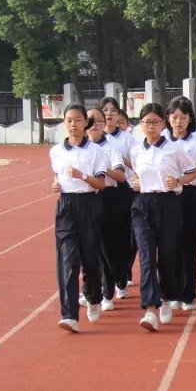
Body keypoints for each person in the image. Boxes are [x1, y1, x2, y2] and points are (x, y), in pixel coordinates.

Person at [130, 103, 196, 332]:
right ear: (140, 124)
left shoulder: (175, 149)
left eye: (156, 122)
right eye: (147, 122)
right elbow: (135, 176)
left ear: (163, 124)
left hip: (168, 204)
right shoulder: (137, 151)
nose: (151, 127)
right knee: (147, 257)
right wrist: (135, 183)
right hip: (143, 205)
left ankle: (167, 298)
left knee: (167, 256)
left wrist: (177, 181)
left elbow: (192, 172)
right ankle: (150, 309)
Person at [58, 107, 127, 313]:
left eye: (99, 120)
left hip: (108, 199)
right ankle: (91, 293)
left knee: (105, 249)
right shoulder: (66, 150)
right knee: (83, 253)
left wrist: (98, 170)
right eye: (92, 120)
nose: (95, 124)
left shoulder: (109, 148)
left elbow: (120, 177)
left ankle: (107, 292)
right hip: (79, 201)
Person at [49, 104, 108, 332]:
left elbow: (101, 184)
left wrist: (83, 176)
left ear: (86, 123)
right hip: (66, 206)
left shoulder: (96, 152)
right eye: (69, 121)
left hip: (89, 204)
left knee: (90, 260)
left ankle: (93, 298)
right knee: (68, 261)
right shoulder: (56, 151)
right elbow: (57, 177)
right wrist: (55, 185)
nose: (73, 125)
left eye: (77, 120)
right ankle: (69, 314)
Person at [164, 96, 196, 311]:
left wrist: (194, 169)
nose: (178, 121)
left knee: (189, 243)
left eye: (183, 117)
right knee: (169, 245)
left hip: (191, 195)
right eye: (174, 117)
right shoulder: (163, 139)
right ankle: (172, 290)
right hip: (168, 196)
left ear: (190, 118)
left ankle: (188, 292)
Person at [100, 97, 137, 301]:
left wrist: (119, 160)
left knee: (124, 238)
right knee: (101, 241)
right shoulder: (93, 138)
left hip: (125, 190)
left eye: (113, 110)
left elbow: (136, 163)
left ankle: (121, 279)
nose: (109, 114)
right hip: (98, 192)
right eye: (105, 110)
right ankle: (103, 284)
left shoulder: (126, 139)